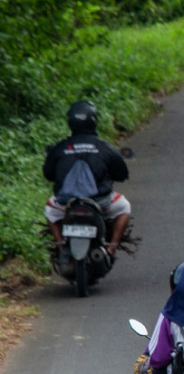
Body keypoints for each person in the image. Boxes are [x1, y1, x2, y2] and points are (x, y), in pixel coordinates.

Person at [43, 101, 131, 258]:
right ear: (94, 121)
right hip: (99, 202)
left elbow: (48, 174)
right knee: (124, 207)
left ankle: (61, 248)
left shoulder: (60, 148)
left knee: (50, 210)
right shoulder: (104, 147)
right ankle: (111, 249)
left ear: (70, 122)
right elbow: (122, 173)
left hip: (66, 204)